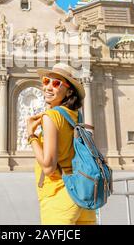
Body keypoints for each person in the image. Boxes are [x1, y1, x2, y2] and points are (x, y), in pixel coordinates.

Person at [27, 63, 97, 225]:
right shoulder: (75, 116)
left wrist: (31, 135)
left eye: (56, 83)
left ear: (69, 90)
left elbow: (48, 167)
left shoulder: (51, 116)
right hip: (84, 193)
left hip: (59, 195)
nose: (49, 87)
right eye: (46, 81)